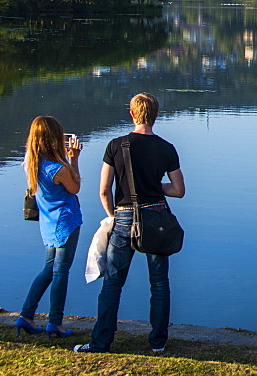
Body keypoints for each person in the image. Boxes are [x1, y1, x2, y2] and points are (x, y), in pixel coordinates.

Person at [74, 92, 185, 354]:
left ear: (132, 114)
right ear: (155, 116)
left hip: (124, 216)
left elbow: (104, 190)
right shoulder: (167, 148)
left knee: (112, 282)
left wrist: (113, 216)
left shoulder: (116, 145)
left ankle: (101, 342)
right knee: (159, 283)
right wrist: (154, 186)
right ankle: (158, 343)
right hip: (156, 217)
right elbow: (178, 190)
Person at [15, 116, 83, 338]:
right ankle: (55, 322)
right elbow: (74, 188)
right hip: (66, 222)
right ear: (52, 138)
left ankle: (26, 315)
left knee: (48, 269)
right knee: (61, 271)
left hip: (47, 223)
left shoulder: (31, 162)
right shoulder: (57, 169)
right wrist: (74, 159)